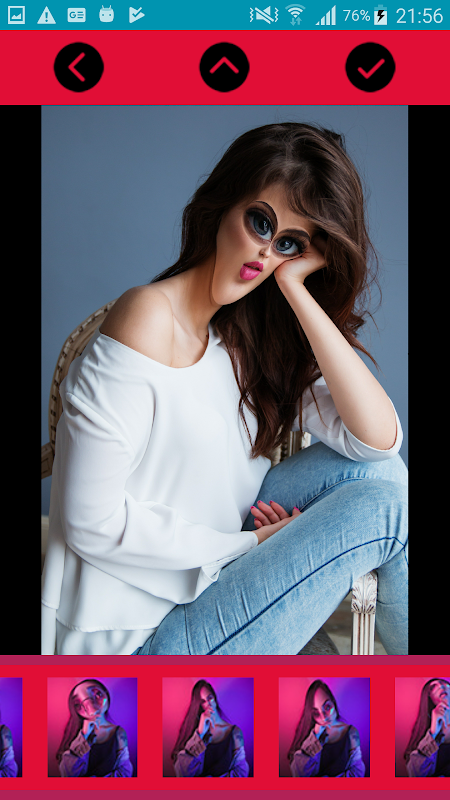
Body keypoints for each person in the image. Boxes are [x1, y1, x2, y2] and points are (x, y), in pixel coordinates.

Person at [41, 121, 408, 656]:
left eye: (288, 244)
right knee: (383, 509)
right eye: (261, 223)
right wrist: (247, 544)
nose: (265, 253)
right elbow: (89, 522)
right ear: (222, 204)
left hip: (212, 584)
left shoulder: (246, 346)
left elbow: (378, 443)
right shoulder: (147, 316)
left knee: (384, 477)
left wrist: (293, 287)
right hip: (137, 641)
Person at [56, 679, 133, 777]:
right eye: (78, 704)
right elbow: (67, 775)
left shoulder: (118, 733)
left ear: (106, 694)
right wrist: (83, 737)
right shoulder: (76, 733)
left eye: (97, 694)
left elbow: (125, 772)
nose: (90, 705)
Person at [287, 679, 365, 777]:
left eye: (327, 707)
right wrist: (314, 737)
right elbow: (298, 775)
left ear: (333, 702)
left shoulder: (351, 733)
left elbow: (357, 773)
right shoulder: (310, 735)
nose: (324, 717)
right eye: (316, 713)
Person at [171, 680, 249, 777]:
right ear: (200, 706)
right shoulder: (196, 731)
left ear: (215, 698)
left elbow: (241, 773)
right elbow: (182, 773)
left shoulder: (235, 733)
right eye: (203, 701)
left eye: (210, 698)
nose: (208, 703)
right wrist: (200, 734)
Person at [404, 678, 450, 777]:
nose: (441, 686)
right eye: (433, 687)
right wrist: (433, 733)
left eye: (444, 683)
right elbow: (415, 775)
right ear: (430, 699)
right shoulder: (427, 734)